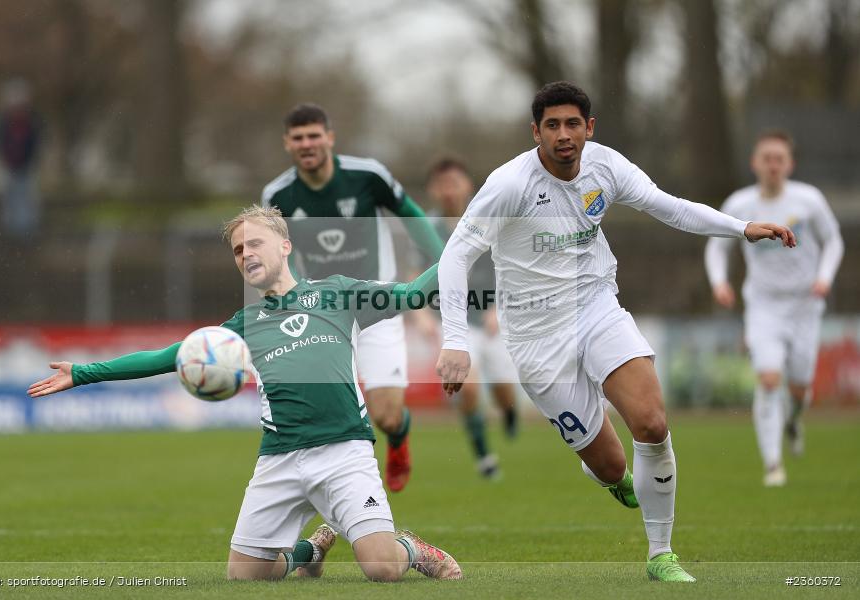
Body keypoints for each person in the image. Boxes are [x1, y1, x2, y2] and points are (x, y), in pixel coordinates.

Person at [435, 81, 795, 583]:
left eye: (573, 124)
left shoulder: (606, 166)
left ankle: (661, 554)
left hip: (596, 306)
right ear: (536, 132)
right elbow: (455, 256)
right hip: (536, 336)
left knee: (651, 422)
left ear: (589, 127)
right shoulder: (509, 184)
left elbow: (668, 206)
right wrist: (455, 340)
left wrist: (741, 228)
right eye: (552, 125)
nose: (564, 135)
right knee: (609, 465)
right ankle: (609, 473)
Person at [27, 206, 461, 583]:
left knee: (381, 568)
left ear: (285, 246)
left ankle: (411, 548)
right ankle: (309, 552)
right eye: (238, 250)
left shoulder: (340, 294)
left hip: (343, 450)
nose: (246, 254)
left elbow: (413, 294)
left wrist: (461, 250)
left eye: (255, 243)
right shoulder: (241, 325)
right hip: (280, 458)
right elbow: (169, 356)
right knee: (244, 575)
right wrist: (82, 373)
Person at [261, 104, 445, 492]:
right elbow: (277, 256)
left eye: (314, 135)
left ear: (330, 138)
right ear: (287, 144)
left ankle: (398, 437)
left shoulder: (367, 175)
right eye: (298, 138)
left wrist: (447, 263)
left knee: (387, 416)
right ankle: (332, 489)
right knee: (322, 411)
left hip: (377, 305)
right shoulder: (277, 195)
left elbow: (412, 216)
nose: (307, 144)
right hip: (322, 312)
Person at [705, 130, 843, 487]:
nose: (773, 165)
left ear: (790, 164)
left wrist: (824, 278)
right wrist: (719, 282)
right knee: (768, 379)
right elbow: (716, 246)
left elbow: (834, 242)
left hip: (805, 304)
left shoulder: (809, 200)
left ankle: (793, 419)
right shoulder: (739, 204)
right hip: (763, 305)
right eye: (766, 158)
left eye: (779, 159)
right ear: (755, 163)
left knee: (799, 388)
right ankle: (773, 464)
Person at [423, 157, 519, 479]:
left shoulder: (488, 219)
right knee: (468, 388)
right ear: (433, 190)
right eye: (442, 184)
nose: (449, 190)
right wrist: (421, 316)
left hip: (490, 318)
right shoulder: (426, 228)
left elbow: (509, 267)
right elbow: (413, 273)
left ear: (468, 185)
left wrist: (497, 308)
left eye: (454, 182)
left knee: (504, 391)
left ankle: (509, 412)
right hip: (451, 321)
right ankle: (484, 457)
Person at [0, 79, 42, 239]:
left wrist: (29, 159)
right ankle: (10, 232)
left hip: (26, 166)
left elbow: (36, 142)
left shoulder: (32, 121)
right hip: (10, 166)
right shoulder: (3, 122)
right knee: (10, 197)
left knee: (27, 198)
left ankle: (26, 232)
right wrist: (4, 158)